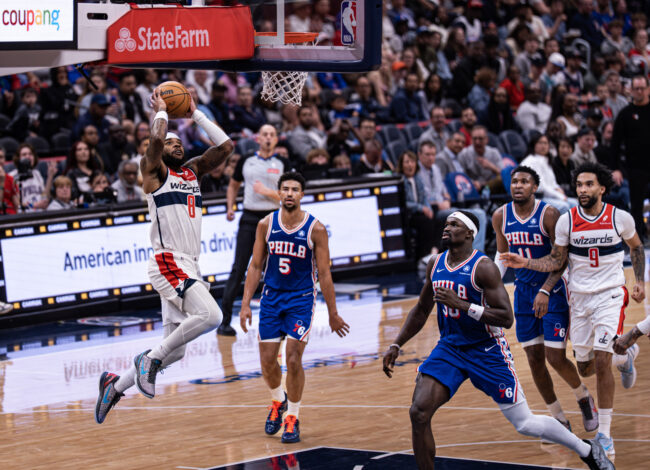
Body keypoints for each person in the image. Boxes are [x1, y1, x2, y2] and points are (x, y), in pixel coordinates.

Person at [382, 210, 614, 470]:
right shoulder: (435, 264)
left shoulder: (484, 267)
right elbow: (422, 309)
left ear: (469, 234)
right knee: (419, 412)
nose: (447, 227)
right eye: (446, 224)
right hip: (450, 348)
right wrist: (396, 344)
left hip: (486, 350)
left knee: (524, 423)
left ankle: (587, 450)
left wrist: (462, 305)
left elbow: (506, 318)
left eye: (454, 224)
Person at [94, 87, 234, 424]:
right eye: (172, 143)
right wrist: (162, 112)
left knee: (176, 350)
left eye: (179, 142)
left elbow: (226, 147)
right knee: (212, 316)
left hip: (190, 264)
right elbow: (156, 141)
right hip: (168, 260)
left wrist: (195, 113)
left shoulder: (192, 171)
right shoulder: (154, 172)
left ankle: (114, 386)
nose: (177, 145)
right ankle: (148, 360)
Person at [501, 162, 645, 458]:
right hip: (578, 299)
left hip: (609, 295)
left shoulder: (620, 217)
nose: (582, 190)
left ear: (602, 188)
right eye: (579, 185)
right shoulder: (567, 221)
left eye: (588, 184)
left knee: (602, 361)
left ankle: (604, 435)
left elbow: (637, 247)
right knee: (585, 367)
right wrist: (526, 262)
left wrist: (640, 281)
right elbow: (556, 261)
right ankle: (625, 356)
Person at [239, 172, 349, 443]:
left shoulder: (316, 229)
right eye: (285, 189)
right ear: (278, 193)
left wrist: (333, 313)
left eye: (295, 189)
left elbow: (325, 274)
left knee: (292, 359)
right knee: (267, 361)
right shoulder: (265, 225)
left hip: (301, 299)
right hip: (271, 298)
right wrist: (244, 304)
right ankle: (278, 401)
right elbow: (255, 266)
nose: (289, 193)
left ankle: (292, 417)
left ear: (302, 195)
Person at [492, 166, 597, 436]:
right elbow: (502, 256)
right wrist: (488, 287)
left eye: (524, 181)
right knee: (534, 359)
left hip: (553, 290)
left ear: (535, 187)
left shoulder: (549, 214)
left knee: (555, 357)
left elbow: (561, 259)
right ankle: (558, 420)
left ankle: (583, 397)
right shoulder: (500, 216)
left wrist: (546, 290)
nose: (518, 185)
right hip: (523, 292)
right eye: (514, 181)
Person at [220, 124, 290, 336]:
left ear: (276, 139)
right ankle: (224, 322)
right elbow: (233, 185)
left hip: (273, 219)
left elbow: (289, 195)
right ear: (258, 138)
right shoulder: (246, 160)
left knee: (276, 271)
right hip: (249, 218)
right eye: (265, 134)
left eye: (272, 134)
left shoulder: (283, 163)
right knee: (239, 268)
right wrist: (230, 207)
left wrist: (266, 191)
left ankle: (279, 321)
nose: (268, 138)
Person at [610, 75, 650, 241]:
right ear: (631, 90)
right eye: (636, 88)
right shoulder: (625, 114)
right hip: (635, 167)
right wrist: (615, 168)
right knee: (636, 206)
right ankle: (637, 241)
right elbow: (615, 144)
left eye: (642, 88)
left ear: (648, 89)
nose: (639, 91)